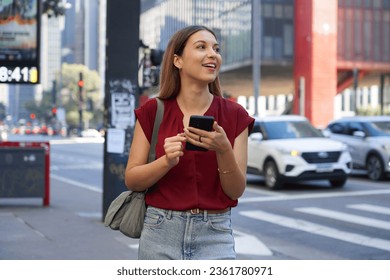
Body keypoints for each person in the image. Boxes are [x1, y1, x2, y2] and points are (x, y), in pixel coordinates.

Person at [125, 25, 254, 260]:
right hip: (160, 229)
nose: (212, 54)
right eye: (201, 47)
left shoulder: (236, 115)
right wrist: (166, 162)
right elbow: (132, 179)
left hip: (215, 232)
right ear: (178, 61)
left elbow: (236, 190)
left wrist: (223, 148)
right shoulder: (153, 111)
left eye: (216, 49)